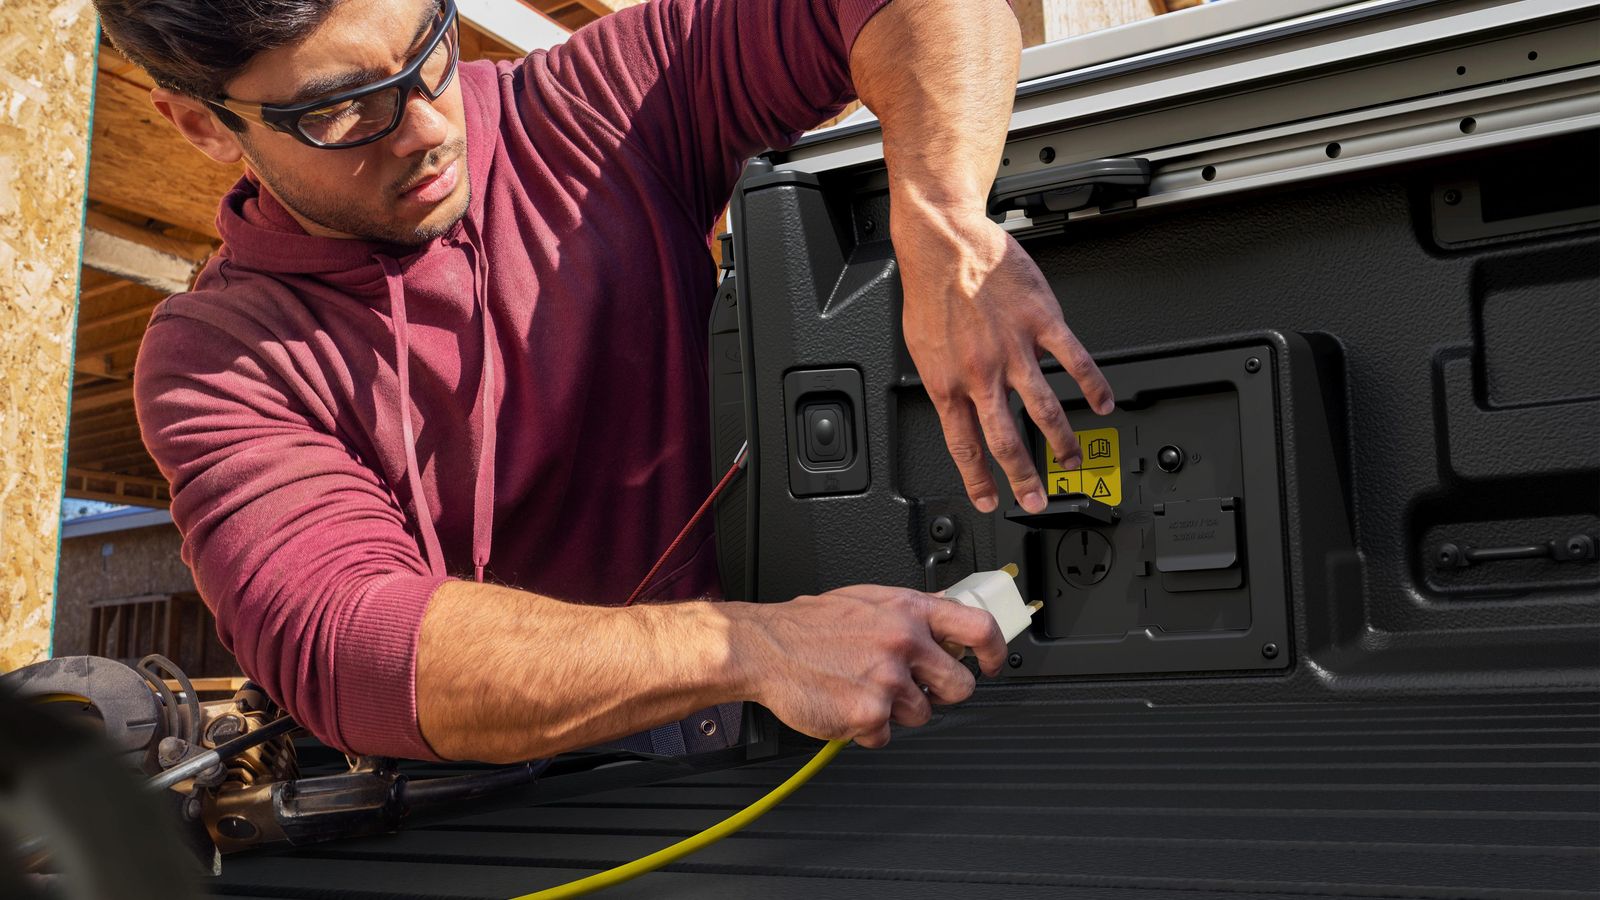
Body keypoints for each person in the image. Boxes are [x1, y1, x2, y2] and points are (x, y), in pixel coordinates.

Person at [106, 0, 1115, 763]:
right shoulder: (219, 357)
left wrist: (942, 223)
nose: (425, 128)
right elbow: (356, 647)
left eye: (428, 47)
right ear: (200, 125)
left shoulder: (591, 110)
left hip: (807, 729)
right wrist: (754, 648)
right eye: (341, 111)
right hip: (519, 801)